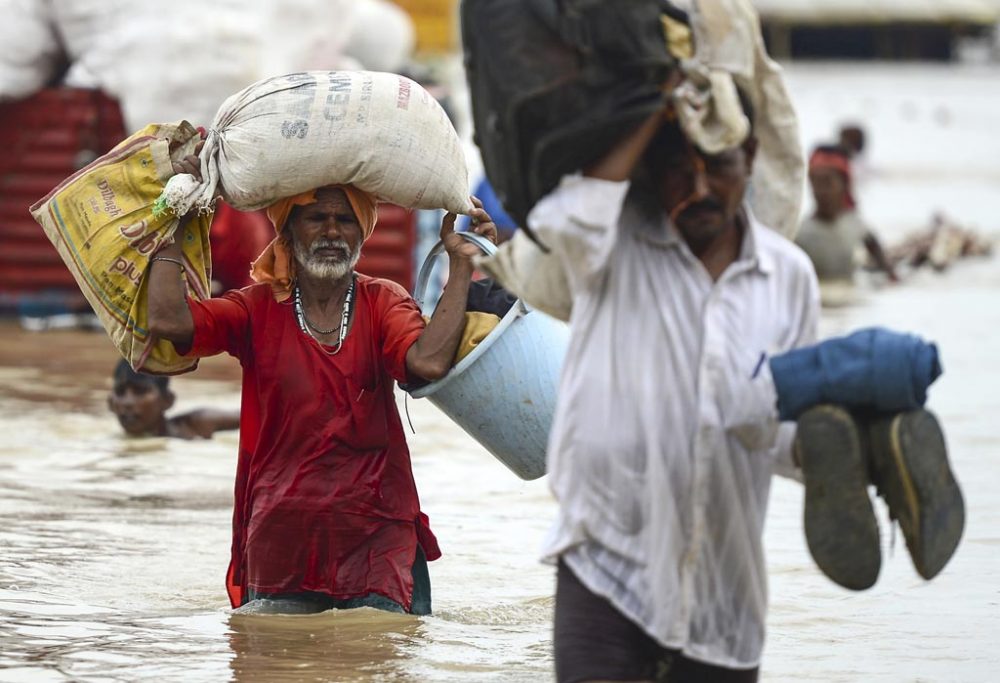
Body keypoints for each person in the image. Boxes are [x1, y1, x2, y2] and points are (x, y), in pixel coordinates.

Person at [530, 92, 820, 681]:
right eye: (677, 171)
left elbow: (788, 434)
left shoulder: (788, 277)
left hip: (724, 601)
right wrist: (651, 106)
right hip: (605, 574)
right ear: (647, 173)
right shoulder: (609, 246)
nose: (700, 189)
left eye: (718, 166)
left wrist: (838, 450)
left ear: (753, 157)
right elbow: (558, 220)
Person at [147, 156, 498, 615]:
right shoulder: (256, 308)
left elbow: (427, 363)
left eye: (345, 220)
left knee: (382, 657)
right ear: (288, 233)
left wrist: (460, 264)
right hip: (283, 538)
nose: (332, 232)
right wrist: (172, 226)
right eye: (316, 218)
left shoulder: (383, 301)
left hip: (376, 535)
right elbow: (170, 322)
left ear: (362, 234)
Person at [796, 145, 898, 284]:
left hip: (849, 297)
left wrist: (891, 276)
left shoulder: (856, 225)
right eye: (816, 182)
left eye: (827, 182)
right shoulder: (800, 234)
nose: (821, 191)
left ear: (844, 184)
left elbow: (886, 268)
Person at [108, 359, 239, 439]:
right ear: (110, 403)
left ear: (167, 400)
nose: (127, 402)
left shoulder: (196, 425)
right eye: (120, 393)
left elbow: (255, 417)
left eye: (140, 392)